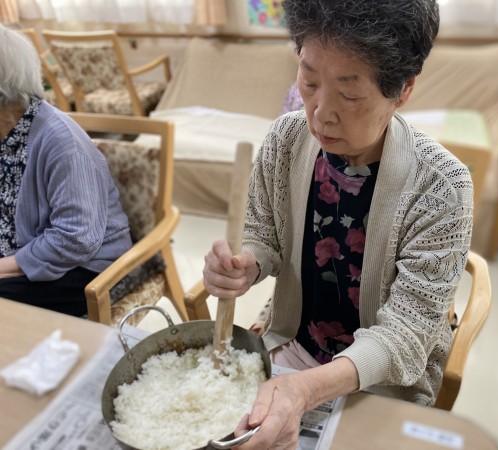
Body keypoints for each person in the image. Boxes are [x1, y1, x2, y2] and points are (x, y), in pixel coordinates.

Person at [202, 0, 473, 448]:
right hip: (294, 344)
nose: (320, 112)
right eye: (309, 82)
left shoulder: (441, 186)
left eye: (349, 95)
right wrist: (246, 264)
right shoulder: (285, 139)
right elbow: (264, 236)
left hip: (383, 381)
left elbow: (405, 335)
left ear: (403, 89)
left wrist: (305, 390)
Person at [0, 25, 132, 317]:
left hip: (86, 268)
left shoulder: (62, 142)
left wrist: (6, 266)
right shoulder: (7, 131)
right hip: (23, 250)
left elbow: (75, 240)